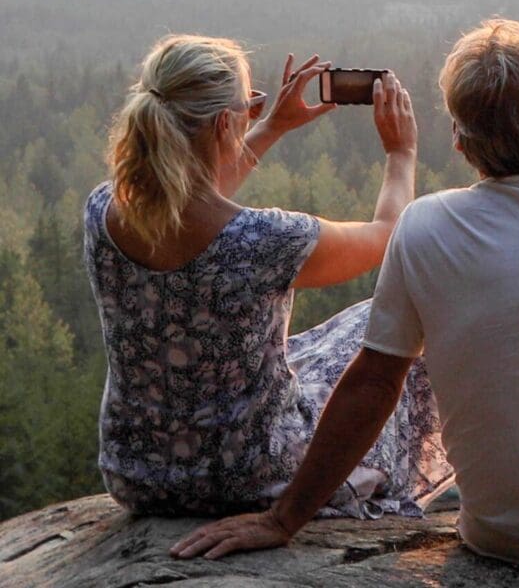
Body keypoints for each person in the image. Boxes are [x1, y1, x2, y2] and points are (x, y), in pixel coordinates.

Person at [173, 19, 519, 579]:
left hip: (500, 533)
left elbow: (374, 382)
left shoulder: (425, 228)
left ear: (460, 140)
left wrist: (283, 519)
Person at [85, 34, 452, 518]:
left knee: (312, 350)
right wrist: (401, 153)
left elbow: (188, 193)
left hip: (136, 474)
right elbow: (387, 235)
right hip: (248, 475)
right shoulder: (265, 240)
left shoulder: (104, 210)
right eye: (248, 107)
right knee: (395, 327)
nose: (254, 112)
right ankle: (383, 483)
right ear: (223, 123)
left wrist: (271, 126)